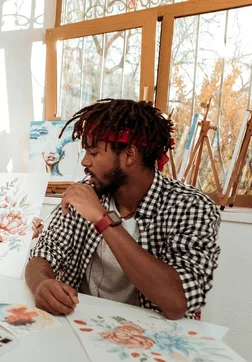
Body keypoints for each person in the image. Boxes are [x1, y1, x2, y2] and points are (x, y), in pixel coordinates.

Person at [26, 99, 220, 320]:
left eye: (94, 152)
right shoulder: (89, 191)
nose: (84, 162)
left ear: (129, 154)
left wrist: (102, 219)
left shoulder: (191, 206)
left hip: (154, 340)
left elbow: (177, 302)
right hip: (83, 328)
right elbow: (42, 256)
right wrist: (41, 284)